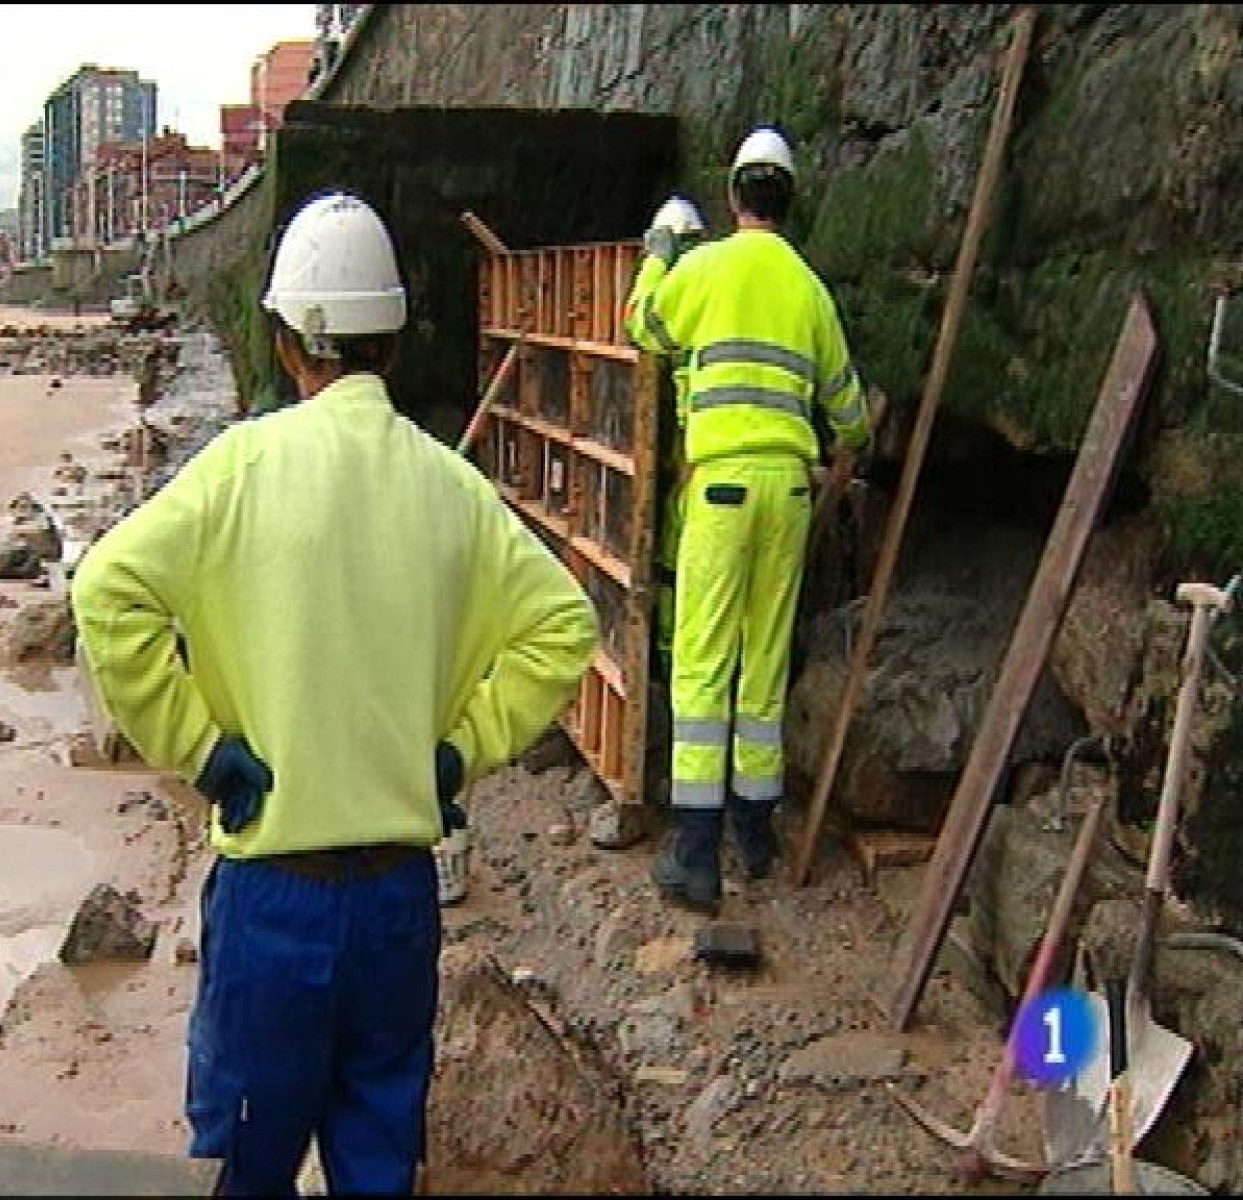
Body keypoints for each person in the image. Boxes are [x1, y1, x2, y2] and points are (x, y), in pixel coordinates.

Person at [70, 189, 598, 1195]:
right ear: (393, 342)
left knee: (244, 1165)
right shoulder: (450, 488)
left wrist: (201, 748)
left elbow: (106, 590)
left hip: (276, 898)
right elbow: (562, 626)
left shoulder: (241, 469)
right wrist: (459, 752)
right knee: (375, 1157)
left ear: (283, 343)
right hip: (398, 900)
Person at [623, 126, 872, 913]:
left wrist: (661, 249)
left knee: (702, 662)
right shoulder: (810, 290)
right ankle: (755, 840)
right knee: (763, 663)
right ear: (790, 201)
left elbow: (646, 328)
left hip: (722, 486)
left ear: (733, 198)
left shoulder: (706, 266)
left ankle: (696, 856)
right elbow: (851, 414)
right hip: (791, 493)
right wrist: (845, 443)